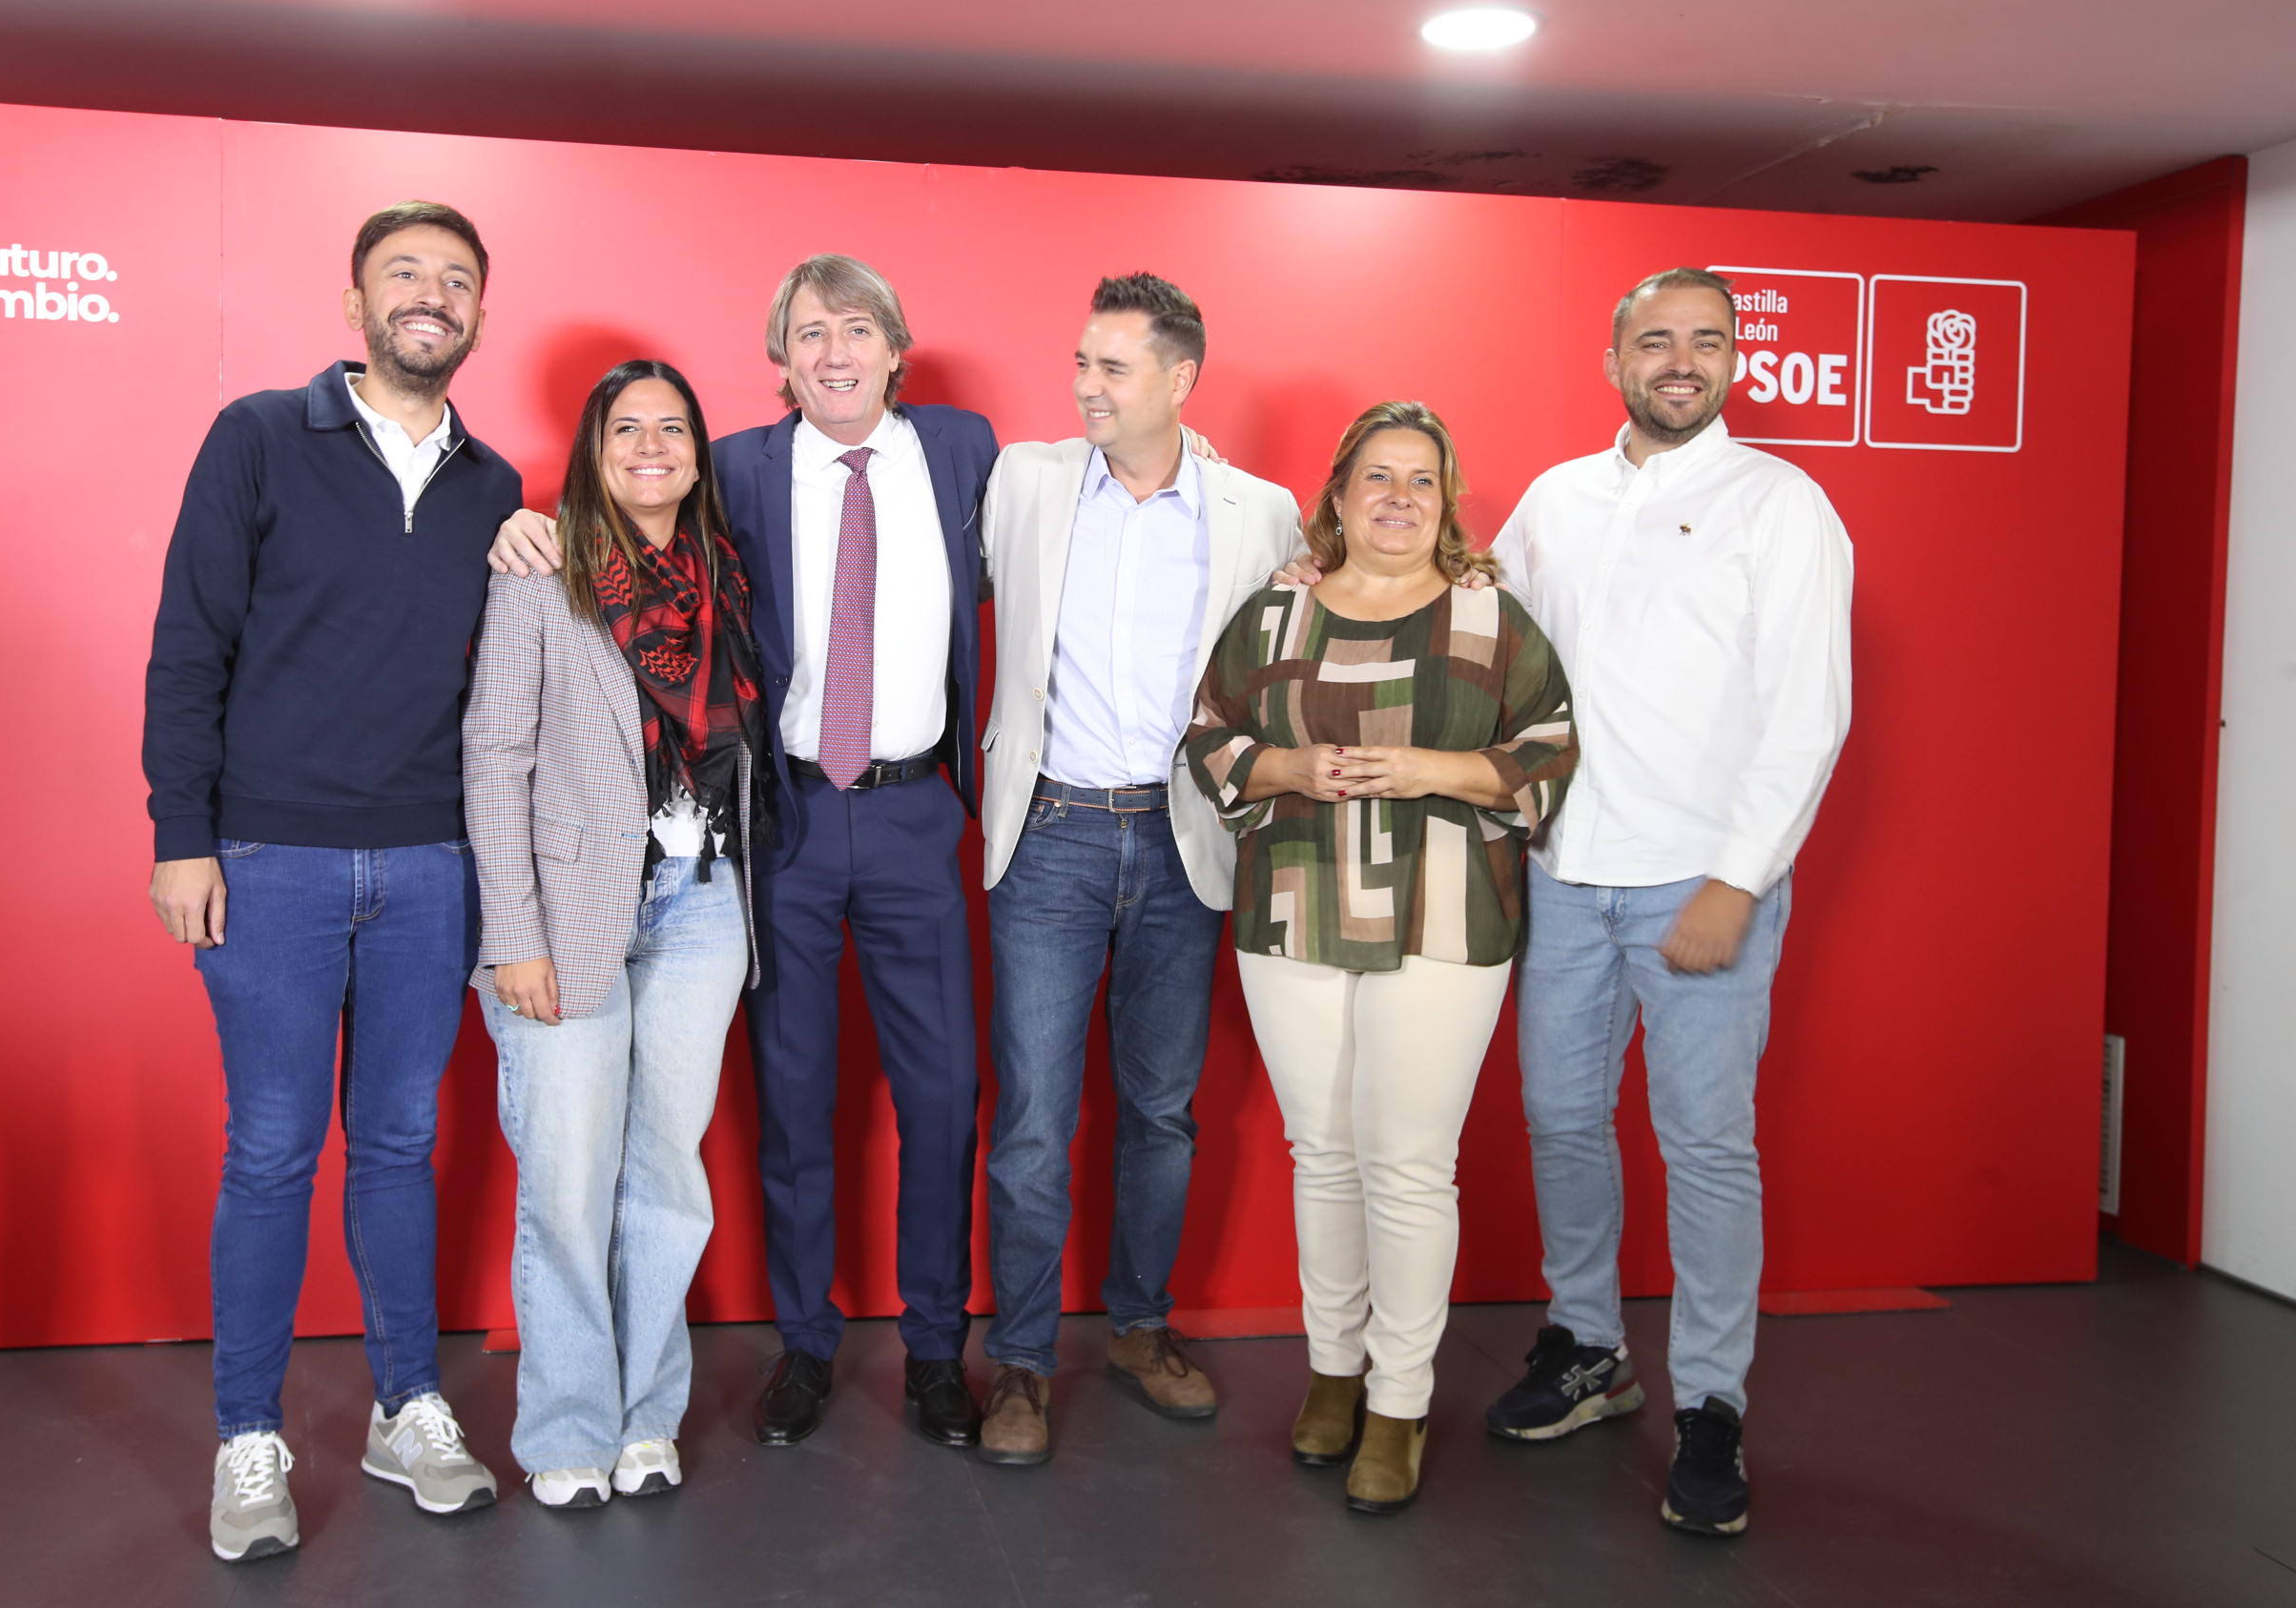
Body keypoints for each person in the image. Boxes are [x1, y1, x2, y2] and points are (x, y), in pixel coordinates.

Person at [489, 255, 997, 1452]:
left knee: (944, 1098)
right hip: (782, 826)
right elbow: (622, 525)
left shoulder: (970, 452)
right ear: (781, 360)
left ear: (894, 345)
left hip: (920, 813)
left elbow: (1095, 495)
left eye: (856, 328)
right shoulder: (736, 469)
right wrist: (518, 523)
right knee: (794, 1100)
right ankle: (807, 1347)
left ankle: (936, 1350)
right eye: (808, 333)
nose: (833, 351)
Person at [143, 202, 514, 1562]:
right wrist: (181, 835)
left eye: (457, 280)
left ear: (481, 312)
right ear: (355, 299)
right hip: (269, 861)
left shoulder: (495, 487)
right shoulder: (258, 435)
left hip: (430, 862)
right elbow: (190, 643)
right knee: (271, 1147)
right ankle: (251, 1433)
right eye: (406, 274)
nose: (433, 295)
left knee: (404, 1143)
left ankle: (405, 1404)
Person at [1481, 268, 1852, 1539]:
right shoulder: (1556, 501)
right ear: (1615, 359)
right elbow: (1494, 648)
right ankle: (1587, 1346)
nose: (1680, 359)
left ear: (1737, 358)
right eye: (1657, 339)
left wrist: (1737, 880)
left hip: (1700, 886)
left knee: (1704, 1148)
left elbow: (1810, 712)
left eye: (1706, 339)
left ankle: (1711, 1405)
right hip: (1566, 877)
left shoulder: (1783, 506)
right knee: (1563, 1120)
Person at [1184, 402, 1578, 1515]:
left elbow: (1549, 747)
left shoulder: (1489, 618)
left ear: (1447, 501)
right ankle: (1333, 1370)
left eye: (1422, 481)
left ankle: (1399, 1401)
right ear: (1339, 496)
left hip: (1446, 917)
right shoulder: (1276, 615)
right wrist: (1286, 769)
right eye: (1377, 479)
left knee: (1407, 1161)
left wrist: (1432, 773)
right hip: (1295, 902)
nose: (1399, 499)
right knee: (1324, 1152)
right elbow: (1210, 737)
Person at [972, 274, 1302, 1465]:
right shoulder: (1026, 479)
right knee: (1032, 1122)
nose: (1085, 388)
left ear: (1180, 381)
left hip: (1186, 840)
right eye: (1080, 363)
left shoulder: (1261, 513)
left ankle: (1140, 1326)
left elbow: (1337, 620)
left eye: (1112, 368)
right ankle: (1017, 1363)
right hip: (1050, 832)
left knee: (1161, 1112)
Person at [465, 360, 772, 1511]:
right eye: (627, 428)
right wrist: (513, 937)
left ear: (698, 452)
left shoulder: (729, 582)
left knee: (664, 1179)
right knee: (566, 1183)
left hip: (701, 910)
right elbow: (493, 761)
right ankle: (565, 1431)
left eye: (674, 428)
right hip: (566, 917)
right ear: (595, 452)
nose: (653, 446)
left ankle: (648, 1419)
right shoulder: (541, 576)